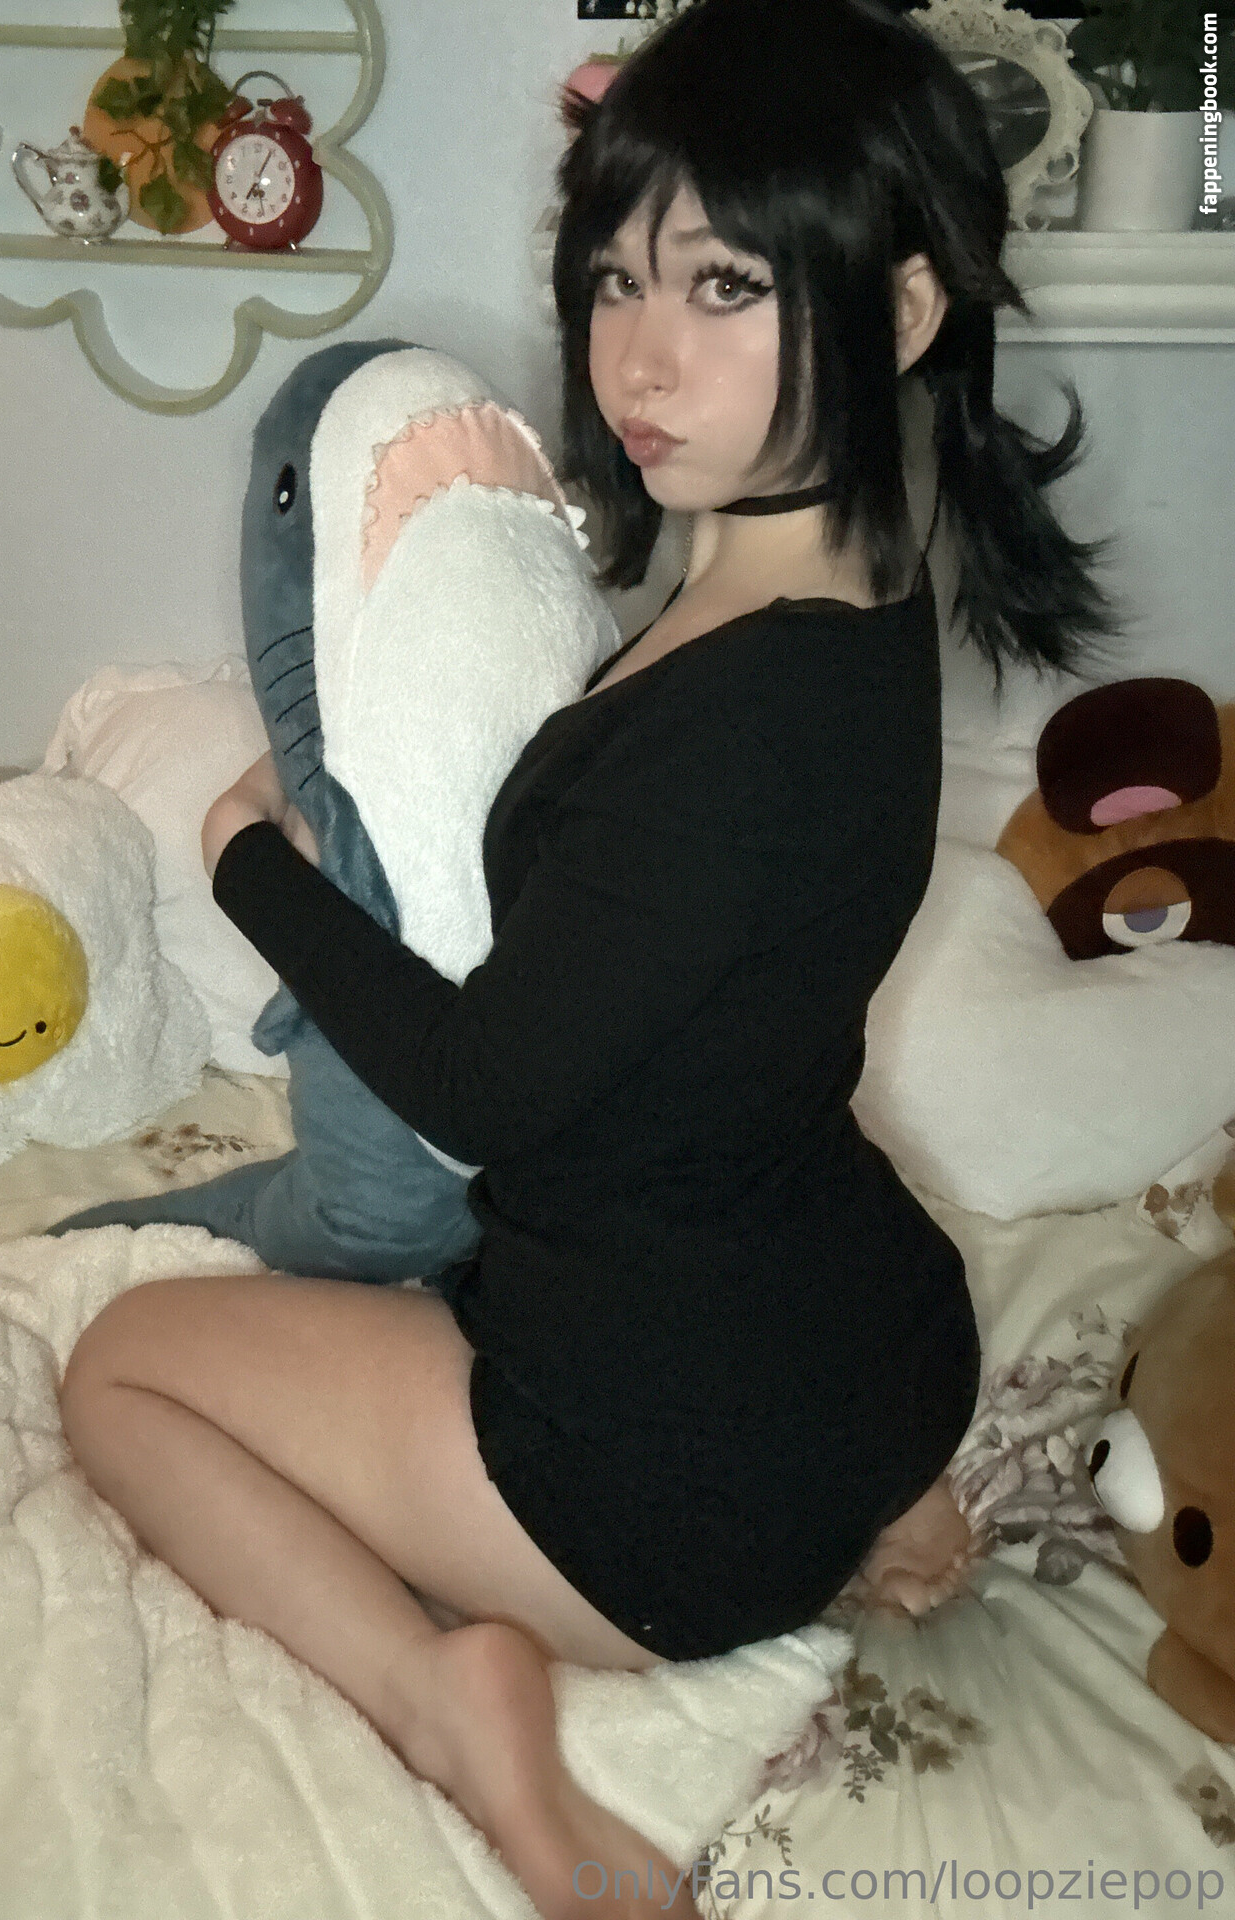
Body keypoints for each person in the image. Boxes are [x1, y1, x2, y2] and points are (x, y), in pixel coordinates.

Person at [55, 2, 1122, 1915]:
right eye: (616, 279)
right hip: (874, 1353)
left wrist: (246, 866)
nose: (640, 355)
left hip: (668, 1488)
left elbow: (481, 1095)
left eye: (724, 285)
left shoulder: (741, 725)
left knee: (121, 1371)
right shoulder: (844, 600)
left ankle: (446, 1702)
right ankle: (881, 1511)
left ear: (898, 310)